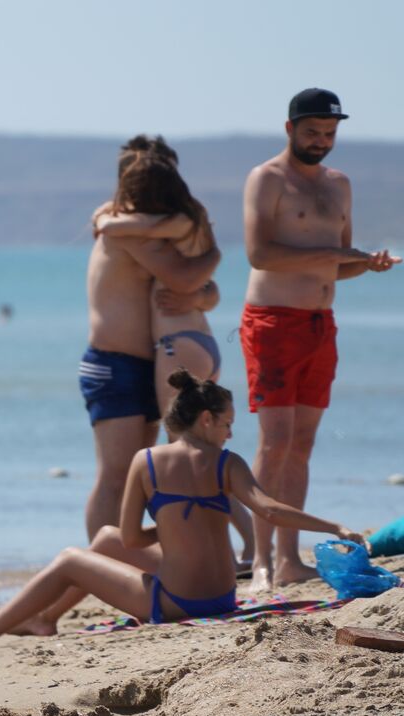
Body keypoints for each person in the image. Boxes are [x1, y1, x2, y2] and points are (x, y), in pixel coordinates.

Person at [0, 371, 367, 651]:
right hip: (222, 596)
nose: (231, 431)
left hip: (176, 603)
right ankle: (45, 619)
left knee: (72, 558)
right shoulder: (227, 462)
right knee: (104, 540)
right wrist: (335, 526)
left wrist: (168, 526)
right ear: (205, 420)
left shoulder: (146, 461)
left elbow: (132, 538)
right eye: (226, 424)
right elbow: (269, 510)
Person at [241, 88, 398, 591]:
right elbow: (260, 254)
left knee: (302, 444)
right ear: (290, 129)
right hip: (272, 321)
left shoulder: (340, 184)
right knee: (275, 441)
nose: (321, 142)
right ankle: (261, 560)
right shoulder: (267, 179)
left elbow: (338, 268)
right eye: (312, 132)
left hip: (320, 323)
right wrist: (339, 253)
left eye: (329, 134)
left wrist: (364, 264)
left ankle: (289, 557)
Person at [94, 155, 256, 565]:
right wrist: (205, 284)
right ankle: (234, 548)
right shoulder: (185, 224)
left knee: (185, 459)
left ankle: (229, 549)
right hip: (193, 343)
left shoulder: (149, 231)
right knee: (192, 456)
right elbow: (203, 282)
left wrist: (110, 221)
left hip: (172, 347)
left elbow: (189, 281)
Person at [82, 135, 222, 541]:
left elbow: (200, 290)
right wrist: (213, 255)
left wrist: (203, 292)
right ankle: (103, 560)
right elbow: (183, 276)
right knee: (117, 473)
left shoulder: (145, 228)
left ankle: (150, 552)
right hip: (113, 361)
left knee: (147, 469)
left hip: (151, 362)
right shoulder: (121, 226)